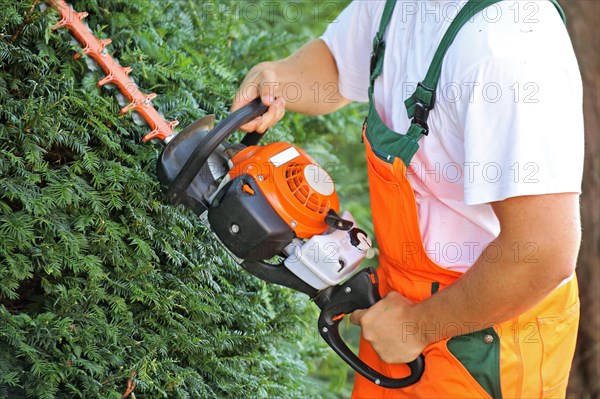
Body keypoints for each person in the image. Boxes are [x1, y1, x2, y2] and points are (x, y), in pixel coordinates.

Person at [231, 1, 584, 398]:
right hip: (397, 313)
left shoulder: (509, 52)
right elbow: (338, 64)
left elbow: (542, 251)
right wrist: (277, 80)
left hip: (485, 340)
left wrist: (419, 327)